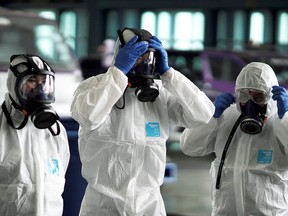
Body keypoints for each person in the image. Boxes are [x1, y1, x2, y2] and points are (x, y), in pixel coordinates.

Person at [70, 27, 214, 215]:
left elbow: (203, 114)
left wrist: (169, 74)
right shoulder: (94, 86)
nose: (144, 63)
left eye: (148, 57)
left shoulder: (161, 94)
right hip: (103, 206)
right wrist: (118, 73)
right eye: (137, 56)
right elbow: (88, 117)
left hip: (148, 205)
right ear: (121, 55)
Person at [180, 62, 288, 215]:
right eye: (244, 95)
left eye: (259, 97)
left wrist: (285, 119)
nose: (250, 104)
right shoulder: (226, 116)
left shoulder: (280, 121)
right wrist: (212, 116)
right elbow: (189, 147)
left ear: (270, 96)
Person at [0, 54, 70, 215]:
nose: (39, 89)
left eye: (44, 82)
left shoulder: (55, 131)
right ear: (14, 83)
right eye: (32, 80)